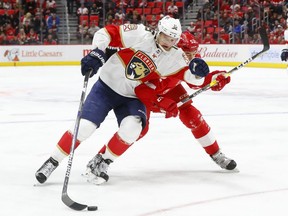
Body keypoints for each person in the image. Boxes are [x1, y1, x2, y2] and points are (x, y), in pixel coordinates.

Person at [35, 16, 231, 185]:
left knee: (134, 128)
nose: (168, 42)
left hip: (132, 96)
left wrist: (204, 75)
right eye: (165, 36)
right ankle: (52, 161)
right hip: (106, 87)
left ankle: (102, 162)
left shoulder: (176, 57)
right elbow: (105, 33)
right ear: (157, 32)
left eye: (173, 39)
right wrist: (97, 51)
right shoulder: (139, 34)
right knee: (85, 127)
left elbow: (191, 78)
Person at [83, 31, 236, 184]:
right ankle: (102, 158)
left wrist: (217, 78)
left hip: (170, 89)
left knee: (192, 115)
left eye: (194, 53)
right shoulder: (164, 57)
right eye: (187, 53)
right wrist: (160, 102)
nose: (191, 57)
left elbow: (198, 80)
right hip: (148, 91)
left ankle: (216, 154)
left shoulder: (190, 60)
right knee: (139, 130)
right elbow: (143, 89)